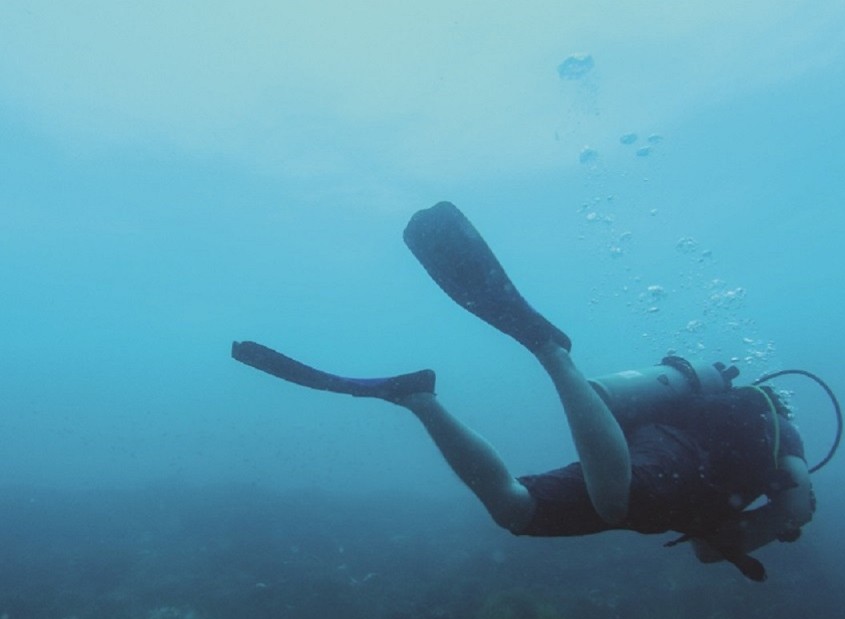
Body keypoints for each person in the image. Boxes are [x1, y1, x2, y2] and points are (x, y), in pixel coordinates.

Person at [232, 201, 815, 581]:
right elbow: (788, 507)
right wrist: (780, 526)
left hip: (640, 443)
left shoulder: (752, 426)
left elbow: (711, 548)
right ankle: (549, 349)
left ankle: (416, 398)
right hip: (671, 459)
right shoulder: (781, 439)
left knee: (517, 510)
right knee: (619, 501)